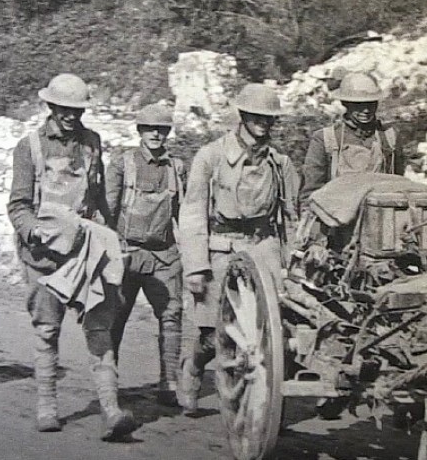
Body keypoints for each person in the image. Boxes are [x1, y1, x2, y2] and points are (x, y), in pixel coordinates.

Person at [7, 73, 138, 440]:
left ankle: (111, 410)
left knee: (100, 328)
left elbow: (97, 198)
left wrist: (110, 236)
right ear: (51, 107)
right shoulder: (29, 147)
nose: (70, 116)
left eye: (77, 110)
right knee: (47, 330)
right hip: (43, 257)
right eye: (64, 109)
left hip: (83, 251)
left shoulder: (92, 143)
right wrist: (34, 229)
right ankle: (47, 405)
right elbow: (17, 205)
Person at [177, 83, 299, 416]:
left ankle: (266, 402)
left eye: (269, 118)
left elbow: (291, 216)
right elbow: (192, 213)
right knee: (214, 334)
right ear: (243, 115)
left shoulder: (280, 163)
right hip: (221, 249)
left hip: (263, 247)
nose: (263, 123)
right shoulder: (211, 156)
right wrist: (196, 267)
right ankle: (192, 368)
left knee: (273, 330)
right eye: (257, 116)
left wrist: (293, 265)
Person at [105, 104, 185, 406]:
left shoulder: (177, 169)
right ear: (139, 131)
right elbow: (107, 212)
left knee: (172, 316)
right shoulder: (122, 164)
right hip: (126, 252)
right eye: (150, 128)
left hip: (164, 255)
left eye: (162, 129)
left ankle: (169, 383)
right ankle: (108, 383)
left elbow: (184, 215)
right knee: (115, 318)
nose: (156, 134)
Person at [301, 72, 403, 202]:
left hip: (382, 216)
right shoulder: (325, 139)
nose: (366, 110)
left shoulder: (390, 137)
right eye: (359, 105)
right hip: (337, 216)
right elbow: (311, 191)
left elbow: (399, 183)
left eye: (370, 104)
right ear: (346, 103)